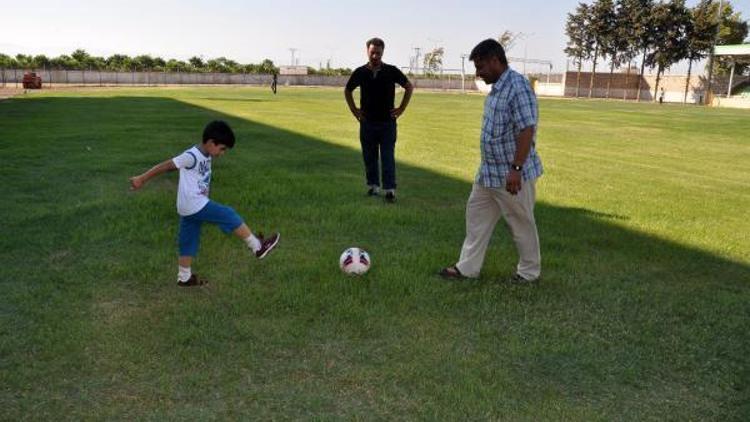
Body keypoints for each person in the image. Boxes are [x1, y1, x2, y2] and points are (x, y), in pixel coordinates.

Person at [440, 39, 543, 284]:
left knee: (521, 223)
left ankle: (529, 273)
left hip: (511, 175)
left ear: (496, 61)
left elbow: (527, 129)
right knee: (476, 217)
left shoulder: (517, 86)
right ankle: (467, 268)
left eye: (481, 67)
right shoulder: (498, 88)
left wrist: (516, 169)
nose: (478, 73)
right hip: (488, 174)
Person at [129, 120, 280, 287]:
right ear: (210, 143)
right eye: (222, 149)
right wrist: (141, 179)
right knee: (228, 214)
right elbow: (166, 166)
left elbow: (202, 177)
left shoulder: (207, 154)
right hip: (194, 204)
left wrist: (205, 194)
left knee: (189, 239)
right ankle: (257, 247)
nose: (222, 153)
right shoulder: (191, 156)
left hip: (188, 206)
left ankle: (184, 277)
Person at [345, 37, 414, 203]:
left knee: (387, 156)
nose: (375, 56)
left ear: (383, 52)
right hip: (367, 122)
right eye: (372, 52)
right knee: (369, 156)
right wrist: (355, 111)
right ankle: (373, 186)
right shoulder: (360, 72)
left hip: (387, 123)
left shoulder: (391, 71)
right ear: (367, 51)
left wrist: (401, 108)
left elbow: (408, 87)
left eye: (378, 53)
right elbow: (347, 90)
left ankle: (390, 190)